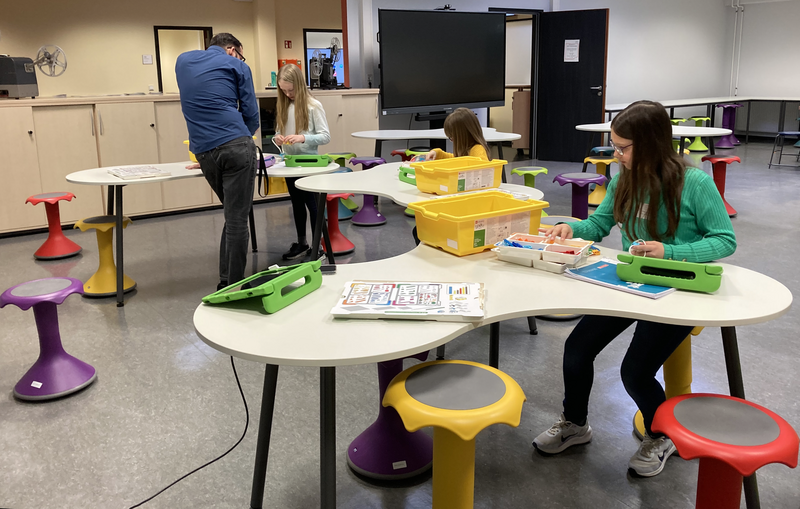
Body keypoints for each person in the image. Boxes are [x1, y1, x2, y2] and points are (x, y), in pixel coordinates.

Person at [532, 100, 737, 478]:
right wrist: (569, 229)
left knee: (634, 371)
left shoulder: (695, 183)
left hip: (677, 290)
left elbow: (725, 240)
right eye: (615, 145)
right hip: (631, 282)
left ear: (651, 144)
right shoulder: (624, 179)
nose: (617, 154)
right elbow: (599, 223)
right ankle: (575, 424)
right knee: (576, 349)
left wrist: (671, 251)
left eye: (623, 147)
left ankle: (661, 436)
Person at [175, 33, 259, 290]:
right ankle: (234, 287)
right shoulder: (237, 65)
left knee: (232, 214)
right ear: (232, 50)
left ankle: (225, 280)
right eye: (240, 54)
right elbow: (251, 113)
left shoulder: (182, 61)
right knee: (236, 219)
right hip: (236, 145)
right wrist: (240, 138)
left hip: (204, 152)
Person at [273, 64, 331, 260]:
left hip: (309, 163)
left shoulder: (313, 106)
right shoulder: (284, 106)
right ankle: (302, 243)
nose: (288, 94)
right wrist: (278, 138)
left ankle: (318, 247)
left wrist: (303, 138)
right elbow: (277, 133)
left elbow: (325, 136)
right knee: (296, 204)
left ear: (300, 84)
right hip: (290, 163)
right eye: (284, 90)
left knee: (312, 205)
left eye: (291, 90)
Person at [416, 107, 492, 161]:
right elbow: (455, 159)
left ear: (462, 135)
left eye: (452, 137)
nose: (451, 140)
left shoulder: (477, 150)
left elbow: (483, 170)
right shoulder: (468, 150)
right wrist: (438, 153)